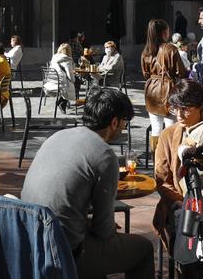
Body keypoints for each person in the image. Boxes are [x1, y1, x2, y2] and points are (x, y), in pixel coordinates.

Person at [22, 87, 153, 279]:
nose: (124, 128)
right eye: (125, 123)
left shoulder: (57, 136)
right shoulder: (104, 155)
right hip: (63, 250)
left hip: (29, 238)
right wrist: (97, 225)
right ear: (114, 122)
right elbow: (103, 230)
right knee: (143, 249)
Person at [153, 80, 203, 240]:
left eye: (186, 109)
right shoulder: (168, 135)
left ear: (200, 107)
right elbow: (161, 178)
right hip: (179, 201)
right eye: (176, 109)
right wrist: (178, 201)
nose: (179, 115)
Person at [142, 19, 186, 153]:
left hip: (151, 91)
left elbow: (145, 74)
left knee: (156, 129)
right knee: (171, 129)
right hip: (169, 90)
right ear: (164, 32)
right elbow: (181, 72)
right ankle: (170, 158)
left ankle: (157, 160)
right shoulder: (171, 49)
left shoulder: (146, 51)